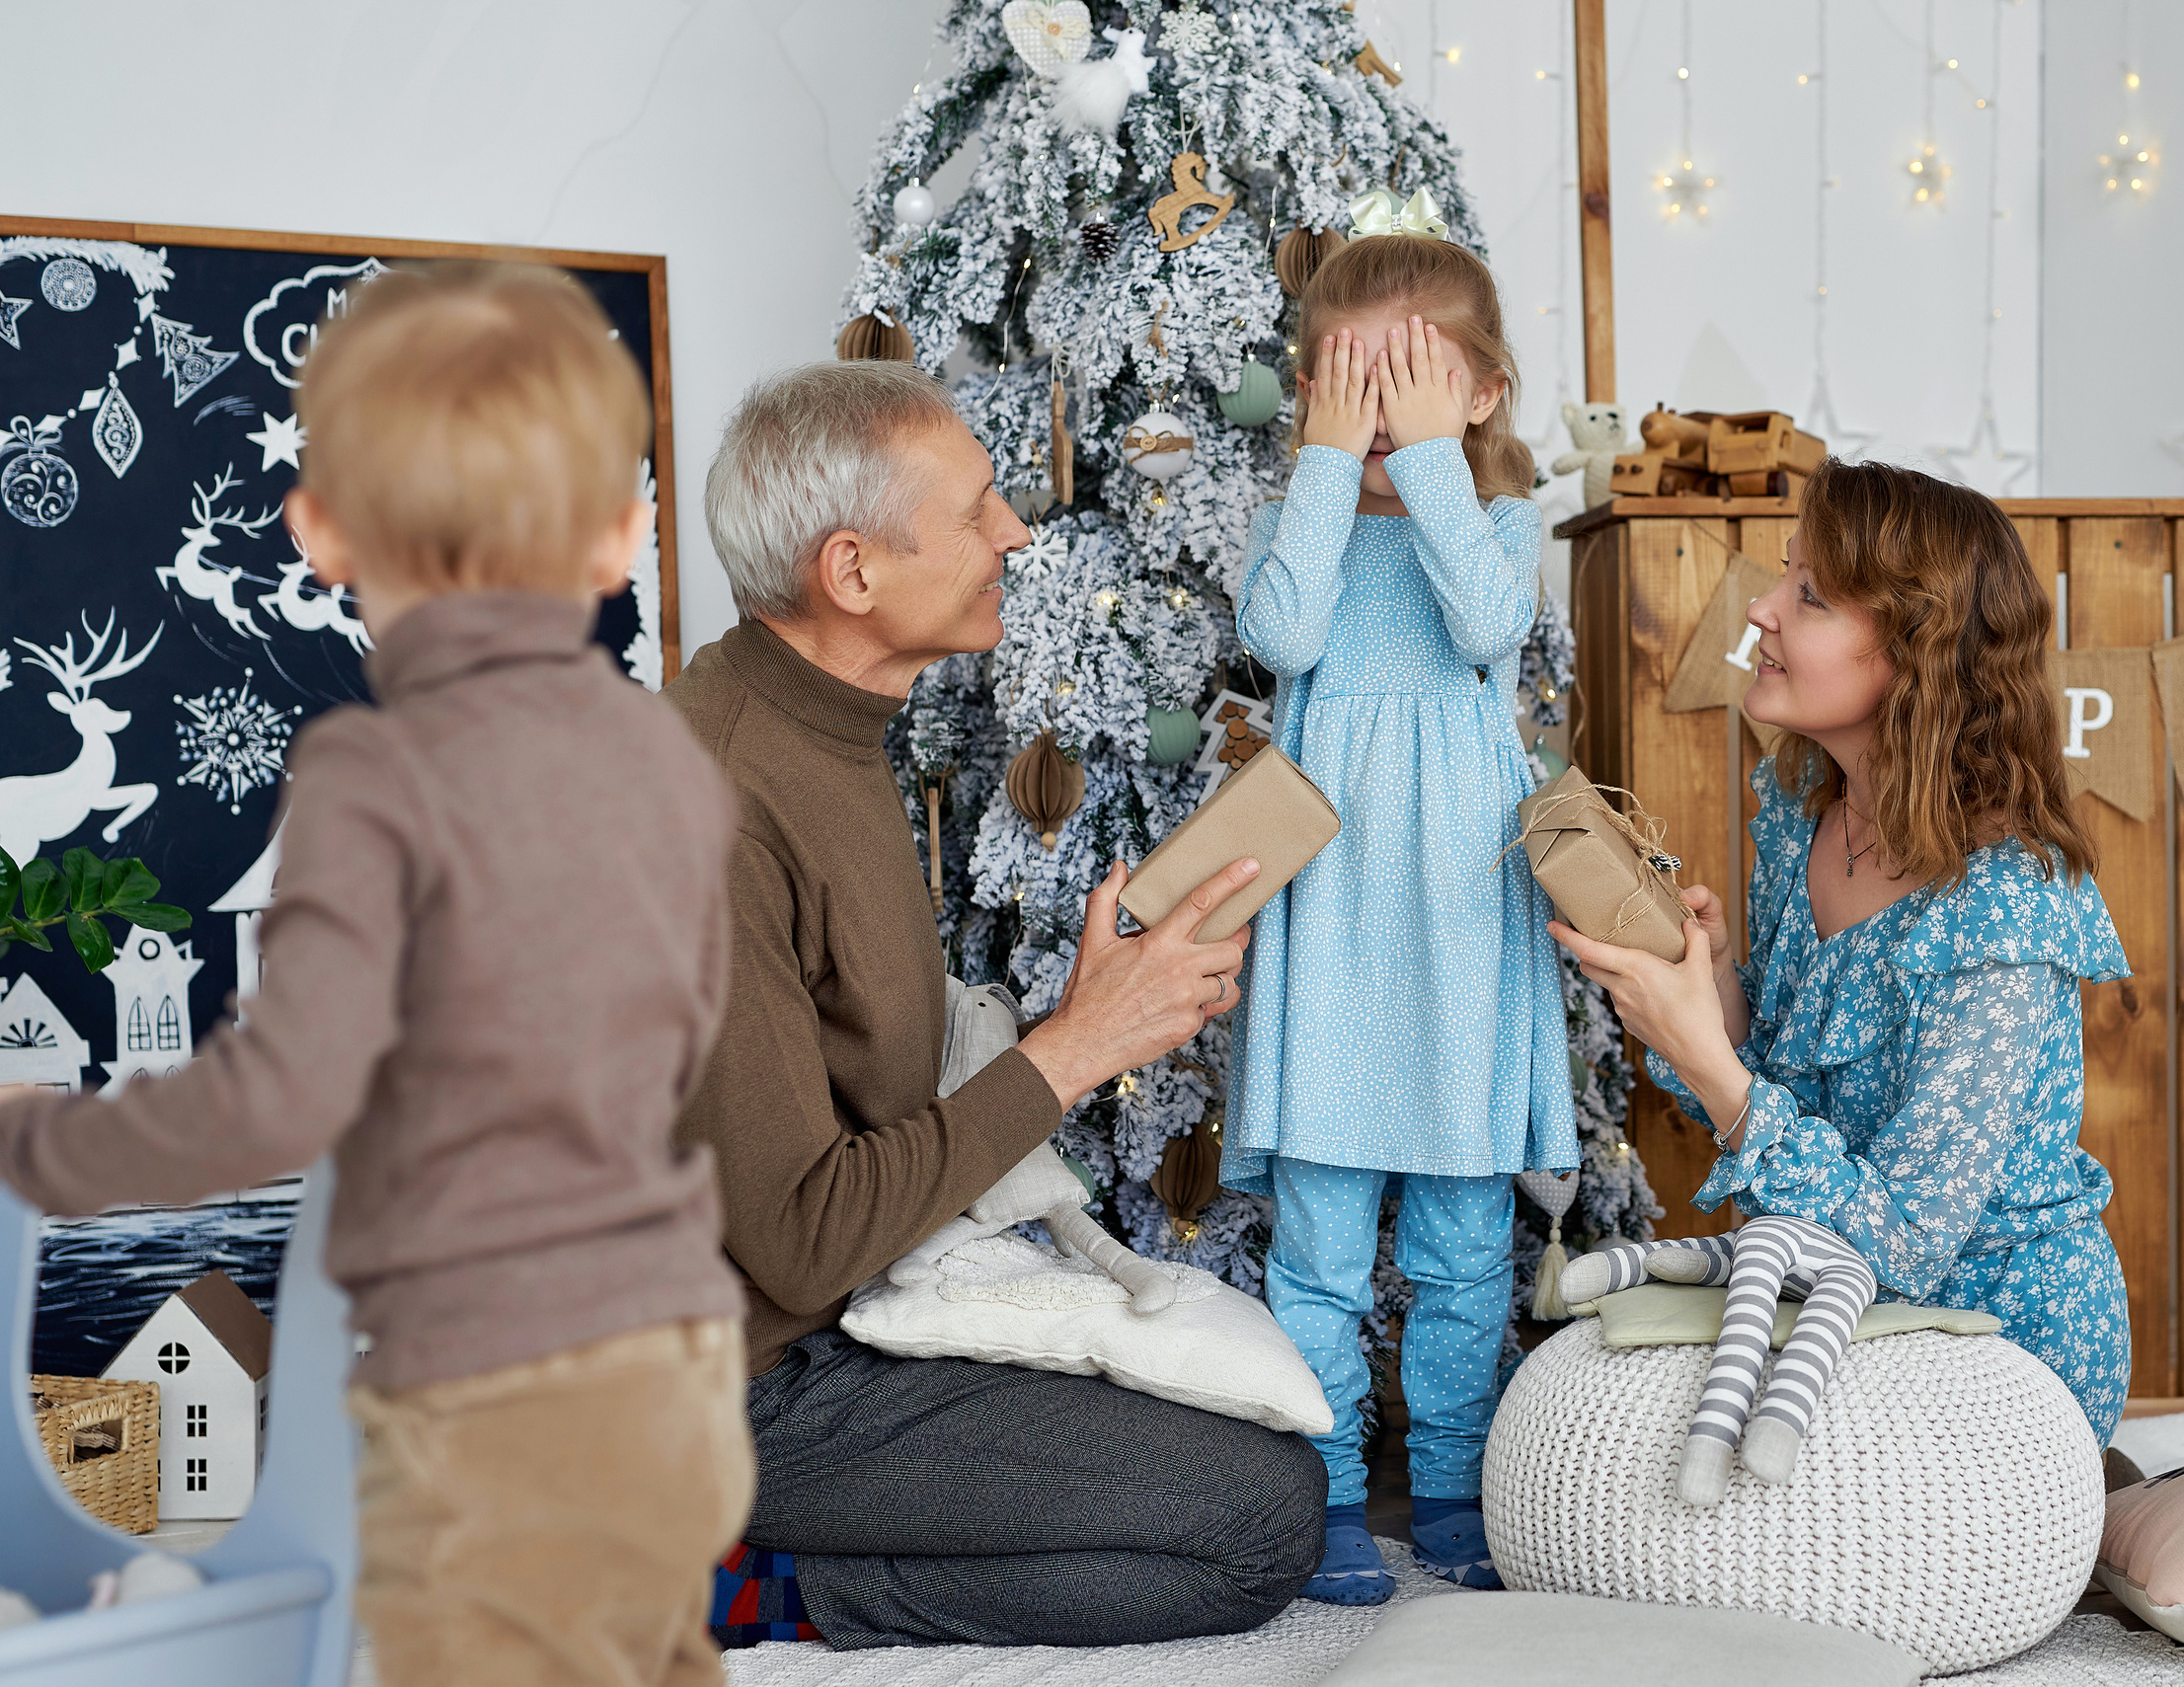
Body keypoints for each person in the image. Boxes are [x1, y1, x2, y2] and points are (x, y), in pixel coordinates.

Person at [0, 264, 752, 1687]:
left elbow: (277, 1099)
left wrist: (37, 1140)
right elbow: (682, 1024)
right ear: (618, 533)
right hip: (676, 1357)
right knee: (647, 1655)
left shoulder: (373, 770)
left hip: (492, 1389)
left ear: (321, 525)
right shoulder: (666, 753)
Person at [666, 360, 1325, 1654]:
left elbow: (864, 1070)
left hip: (847, 1306)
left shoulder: (831, 730)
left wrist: (1086, 1015)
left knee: (1252, 1437)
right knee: (1258, 1520)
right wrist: (1078, 1050)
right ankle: (752, 1589)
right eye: (976, 512)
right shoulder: (713, 807)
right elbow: (800, 1240)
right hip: (730, 1383)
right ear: (851, 572)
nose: (1017, 532)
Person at [1552, 458, 2135, 1446]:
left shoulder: (2003, 906)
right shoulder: (1802, 818)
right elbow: (1779, 1087)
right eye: (1785, 575)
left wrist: (1702, 1058)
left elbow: (1908, 1238)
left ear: (1917, 653)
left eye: (1810, 595)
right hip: (1832, 1301)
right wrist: (1715, 987)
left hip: (1988, 1340)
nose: (1764, 610)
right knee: (1588, 1406)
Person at [1227, 232, 1577, 1605]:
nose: (1379, 419)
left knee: (1460, 1239)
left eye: (1410, 384)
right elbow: (1286, 638)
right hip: (1337, 918)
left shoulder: (1494, 522)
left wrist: (1426, 461)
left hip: (1455, 923)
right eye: (1352, 385)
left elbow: (1489, 627)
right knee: (1318, 1241)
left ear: (1478, 393)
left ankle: (1448, 1482)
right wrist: (1325, 464)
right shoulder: (1304, 518)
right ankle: (1320, 1492)